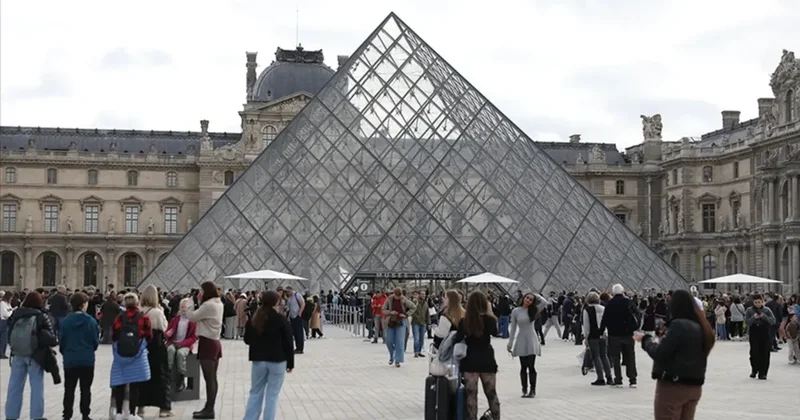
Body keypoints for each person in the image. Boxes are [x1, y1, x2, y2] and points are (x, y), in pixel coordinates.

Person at [634, 289, 715, 420]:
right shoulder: (701, 327)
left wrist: (645, 340)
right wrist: (665, 337)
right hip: (694, 386)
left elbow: (660, 353)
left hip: (674, 386)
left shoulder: (678, 325)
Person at [4, 291, 58, 420]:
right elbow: (51, 338)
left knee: (14, 386)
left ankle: (11, 415)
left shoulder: (17, 314)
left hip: (18, 354)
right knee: (36, 386)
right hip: (35, 355)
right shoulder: (41, 316)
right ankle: (36, 416)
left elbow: (9, 332)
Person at [243, 291, 295, 420]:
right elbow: (288, 343)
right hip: (277, 360)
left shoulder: (254, 319)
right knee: (272, 395)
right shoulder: (281, 320)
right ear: (276, 303)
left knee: (255, 392)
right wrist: (290, 363)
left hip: (259, 360)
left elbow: (247, 340)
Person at [455, 291, 500, 420]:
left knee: (471, 395)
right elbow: (495, 333)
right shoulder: (490, 320)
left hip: (470, 359)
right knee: (491, 394)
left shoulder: (465, 321)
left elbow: (458, 339)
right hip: (486, 358)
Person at [110, 292, 153, 420]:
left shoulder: (119, 317)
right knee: (135, 386)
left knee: (120, 384)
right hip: (137, 355)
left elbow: (114, 335)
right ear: (137, 303)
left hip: (121, 355)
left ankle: (118, 413)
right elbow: (149, 335)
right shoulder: (143, 317)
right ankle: (133, 414)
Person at [60, 291, 100, 420]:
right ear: (83, 305)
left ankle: (67, 415)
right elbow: (95, 341)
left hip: (70, 359)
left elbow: (62, 341)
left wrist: (66, 353)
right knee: (85, 389)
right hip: (86, 359)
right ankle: (85, 414)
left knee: (69, 389)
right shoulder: (91, 321)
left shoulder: (66, 321)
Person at [137, 285, 173, 417]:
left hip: (141, 346)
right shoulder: (157, 312)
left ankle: (140, 407)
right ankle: (164, 409)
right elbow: (164, 327)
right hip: (156, 346)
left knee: (141, 376)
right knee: (161, 376)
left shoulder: (138, 311)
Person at [189, 281, 224, 419]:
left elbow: (192, 317)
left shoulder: (208, 305)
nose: (200, 293)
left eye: (201, 291)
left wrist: (192, 302)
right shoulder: (218, 303)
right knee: (212, 378)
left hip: (208, 342)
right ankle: (209, 407)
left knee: (209, 378)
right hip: (214, 341)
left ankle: (209, 409)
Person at [507, 292, 547, 398]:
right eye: (527, 297)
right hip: (521, 339)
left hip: (531, 339)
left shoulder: (533, 310)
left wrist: (534, 294)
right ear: (524, 298)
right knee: (523, 366)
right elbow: (513, 329)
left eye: (530, 299)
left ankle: (532, 390)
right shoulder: (516, 311)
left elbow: (544, 302)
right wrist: (510, 343)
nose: (528, 300)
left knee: (531, 366)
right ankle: (524, 389)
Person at [600, 284, 639, 387]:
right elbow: (637, 315)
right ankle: (632, 380)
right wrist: (634, 327)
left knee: (615, 358)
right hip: (628, 334)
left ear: (613, 293)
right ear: (622, 292)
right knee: (630, 357)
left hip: (614, 335)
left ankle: (618, 380)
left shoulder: (609, 304)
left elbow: (605, 319)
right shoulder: (629, 302)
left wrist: (601, 331)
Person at [166, 297, 198, 391]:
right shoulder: (175, 319)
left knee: (180, 354)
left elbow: (193, 337)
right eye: (182, 307)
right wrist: (168, 334)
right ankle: (169, 375)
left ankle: (181, 379)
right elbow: (168, 331)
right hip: (173, 342)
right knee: (170, 350)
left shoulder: (192, 321)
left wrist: (182, 344)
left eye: (185, 307)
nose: (183, 309)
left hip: (185, 345)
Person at [583, 291, 613, 386]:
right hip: (603, 335)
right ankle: (609, 377)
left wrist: (586, 338)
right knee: (604, 356)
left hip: (593, 335)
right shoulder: (604, 308)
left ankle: (600, 378)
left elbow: (586, 325)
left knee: (596, 357)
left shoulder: (587, 310)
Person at [381, 287, 416, 367]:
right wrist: (390, 312)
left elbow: (413, 307)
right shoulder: (389, 299)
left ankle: (398, 360)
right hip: (391, 322)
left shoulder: (404, 299)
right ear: (394, 294)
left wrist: (406, 314)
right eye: (397, 296)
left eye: (400, 296)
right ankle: (392, 355)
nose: (398, 297)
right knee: (388, 340)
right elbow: (383, 309)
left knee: (400, 341)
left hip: (401, 322)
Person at [745, 293, 776, 379]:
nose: (758, 304)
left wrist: (764, 316)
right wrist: (753, 317)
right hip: (754, 331)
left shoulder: (767, 310)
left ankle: (763, 373)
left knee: (764, 352)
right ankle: (754, 369)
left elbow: (773, 321)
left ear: (762, 302)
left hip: (764, 331)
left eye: (759, 302)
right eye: (755, 302)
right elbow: (747, 322)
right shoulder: (749, 310)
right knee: (754, 352)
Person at [284, 286, 306, 354]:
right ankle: (297, 347)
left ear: (291, 290)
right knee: (295, 333)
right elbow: (289, 307)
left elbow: (303, 303)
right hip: (292, 317)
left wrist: (300, 313)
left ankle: (300, 348)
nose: (287, 293)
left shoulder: (297, 295)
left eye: (288, 291)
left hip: (297, 316)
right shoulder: (289, 298)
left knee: (299, 332)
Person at [410, 290, 430, 358]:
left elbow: (427, 314)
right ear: (419, 295)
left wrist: (429, 323)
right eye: (422, 294)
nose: (423, 296)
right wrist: (417, 317)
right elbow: (412, 311)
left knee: (422, 339)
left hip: (423, 323)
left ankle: (419, 351)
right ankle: (416, 351)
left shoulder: (426, 303)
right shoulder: (415, 302)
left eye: (424, 294)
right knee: (416, 338)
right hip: (415, 323)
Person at [0, 291, 13, 358]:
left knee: (4, 339)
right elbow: (5, 313)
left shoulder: (7, 303)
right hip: (2, 320)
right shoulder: (2, 303)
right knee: (3, 338)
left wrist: (10, 310)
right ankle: (1, 353)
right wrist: (11, 311)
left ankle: (2, 352)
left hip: (6, 321)